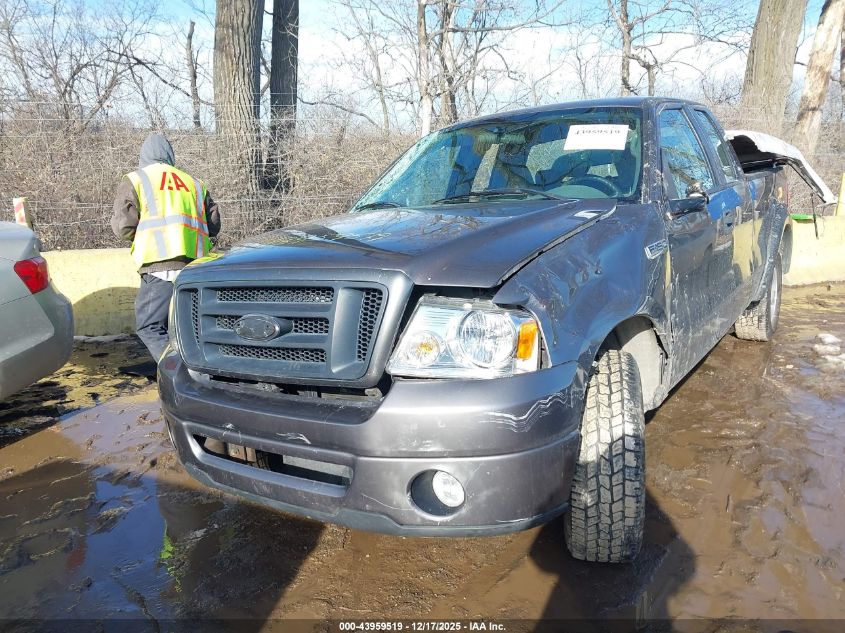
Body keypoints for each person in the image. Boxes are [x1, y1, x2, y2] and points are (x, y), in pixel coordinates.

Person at [111, 133, 221, 362]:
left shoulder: (137, 179)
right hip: (195, 268)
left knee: (150, 326)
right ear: (171, 156)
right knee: (188, 329)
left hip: (158, 265)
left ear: (144, 156)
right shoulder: (194, 184)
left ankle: (177, 373)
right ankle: (203, 371)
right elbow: (214, 225)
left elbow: (124, 228)